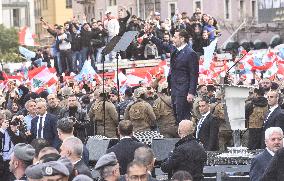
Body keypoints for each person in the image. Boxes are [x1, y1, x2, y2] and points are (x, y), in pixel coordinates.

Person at [147, 27, 199, 123]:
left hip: (184, 90)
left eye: (175, 37)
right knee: (176, 115)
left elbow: (194, 75)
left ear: (182, 39)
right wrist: (151, 36)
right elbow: (163, 45)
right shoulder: (175, 49)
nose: (173, 39)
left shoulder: (191, 53)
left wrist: (191, 92)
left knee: (183, 117)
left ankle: (186, 136)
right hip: (174, 89)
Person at [0, 112, 26, 180]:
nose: (2, 121)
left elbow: (22, 141)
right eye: (0, 119)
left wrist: (15, 130)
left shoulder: (9, 128)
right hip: (1, 161)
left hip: (12, 161)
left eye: (3, 119)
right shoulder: (2, 129)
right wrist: (2, 130)